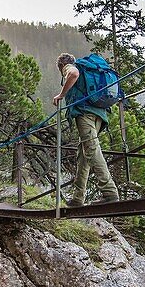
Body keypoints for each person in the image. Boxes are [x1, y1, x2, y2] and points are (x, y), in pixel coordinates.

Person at [53, 53, 120, 206]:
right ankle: (78, 198)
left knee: (91, 150)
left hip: (85, 114)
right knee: (83, 155)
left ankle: (109, 192)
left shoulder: (69, 67)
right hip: (99, 114)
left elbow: (73, 74)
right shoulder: (89, 69)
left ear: (61, 66)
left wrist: (61, 95)